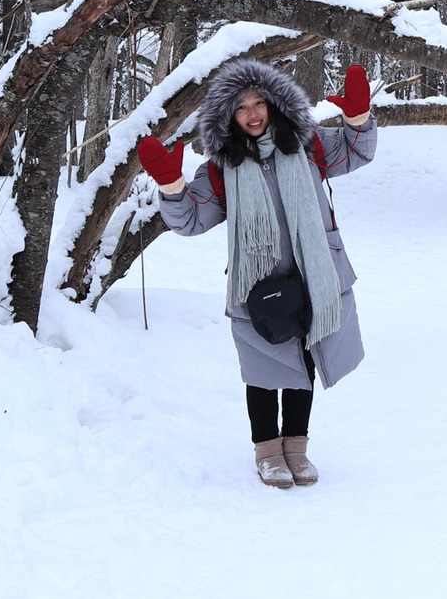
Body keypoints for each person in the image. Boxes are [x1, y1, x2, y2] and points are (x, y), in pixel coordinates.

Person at [137, 57, 375, 488]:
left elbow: (358, 149)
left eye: (258, 102)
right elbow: (190, 220)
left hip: (314, 273)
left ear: (274, 104)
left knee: (305, 359)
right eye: (241, 106)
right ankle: (268, 452)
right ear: (228, 116)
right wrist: (171, 185)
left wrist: (357, 116)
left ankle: (297, 449)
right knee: (264, 367)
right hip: (258, 284)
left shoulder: (309, 146)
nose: (251, 113)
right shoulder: (219, 169)